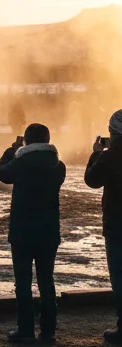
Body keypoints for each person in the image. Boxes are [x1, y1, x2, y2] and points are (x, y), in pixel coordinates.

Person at [0, 122, 65, 343]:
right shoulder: (58, 165)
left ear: (26, 140)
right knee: (47, 281)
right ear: (48, 139)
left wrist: (11, 150)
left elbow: (0, 173)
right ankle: (49, 331)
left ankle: (25, 330)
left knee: (23, 282)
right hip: (49, 232)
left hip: (22, 232)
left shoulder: (19, 163)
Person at [84, 110, 122, 343]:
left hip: (117, 223)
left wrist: (96, 154)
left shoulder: (110, 156)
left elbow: (91, 180)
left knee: (119, 275)